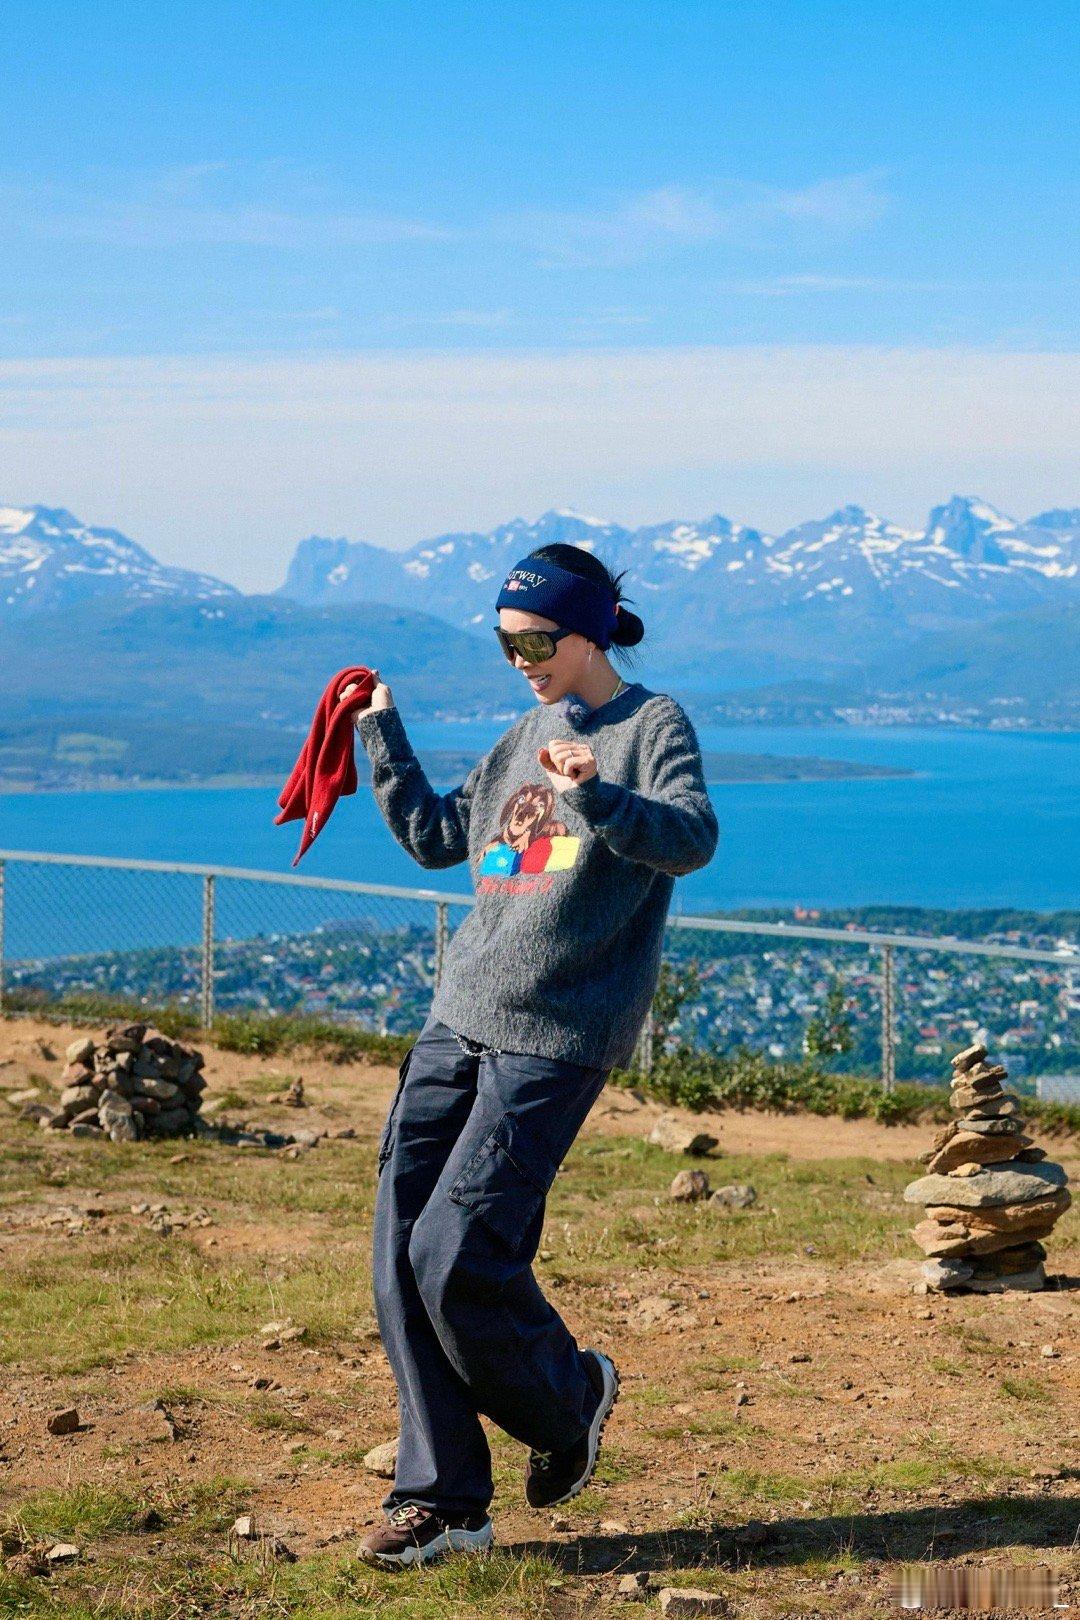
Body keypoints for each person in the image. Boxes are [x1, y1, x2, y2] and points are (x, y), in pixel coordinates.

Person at [345, 541, 719, 1569]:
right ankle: (446, 1503)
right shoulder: (525, 730)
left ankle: (570, 1397)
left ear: (588, 630)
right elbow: (439, 837)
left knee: (456, 1252)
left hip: (556, 1034)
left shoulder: (651, 725)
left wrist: (597, 794)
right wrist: (381, 732)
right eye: (507, 645)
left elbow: (691, 839)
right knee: (399, 1256)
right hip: (458, 1014)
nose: (521, 663)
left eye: (537, 643)